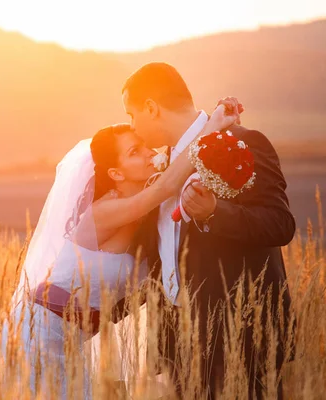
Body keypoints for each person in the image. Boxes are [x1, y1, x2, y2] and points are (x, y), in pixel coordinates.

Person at [0, 99, 242, 400]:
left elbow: (169, 187)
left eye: (146, 146)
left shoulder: (146, 216)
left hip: (72, 343)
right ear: (114, 174)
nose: (149, 154)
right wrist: (211, 128)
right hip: (38, 334)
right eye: (135, 152)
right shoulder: (104, 212)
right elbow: (162, 190)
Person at [121, 62, 295, 399]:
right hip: (177, 346)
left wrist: (215, 213)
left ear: (151, 108)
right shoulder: (154, 167)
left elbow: (280, 224)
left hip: (240, 338)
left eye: (132, 115)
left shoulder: (242, 143)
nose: (132, 126)